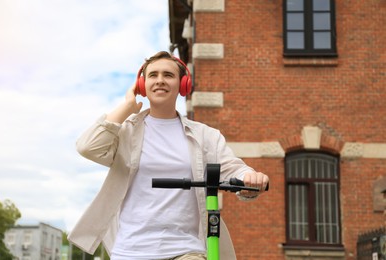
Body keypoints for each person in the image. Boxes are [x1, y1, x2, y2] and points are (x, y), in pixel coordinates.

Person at [68, 51, 269, 260]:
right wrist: (128, 106)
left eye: (168, 75)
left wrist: (250, 177)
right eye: (153, 75)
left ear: (182, 84)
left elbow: (234, 169)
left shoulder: (205, 136)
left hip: (186, 250)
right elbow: (88, 147)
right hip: (130, 250)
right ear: (141, 85)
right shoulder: (125, 132)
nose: (160, 81)